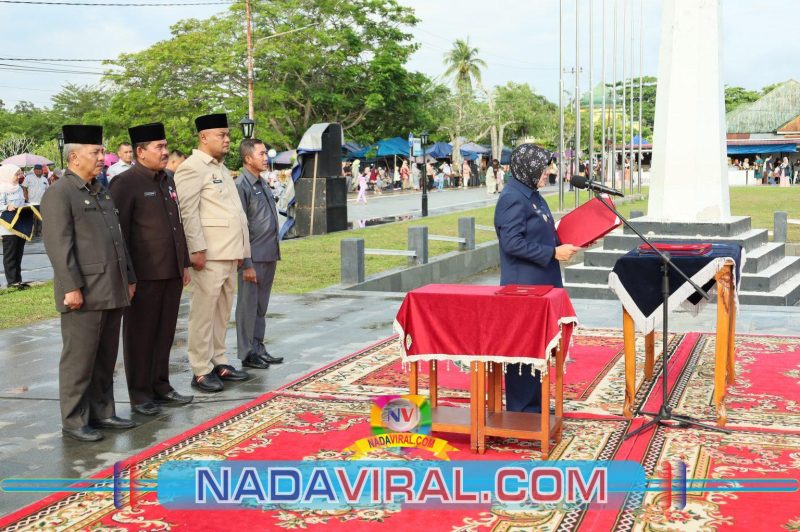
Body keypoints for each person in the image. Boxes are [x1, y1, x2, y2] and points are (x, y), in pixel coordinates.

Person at [41, 124, 137, 441]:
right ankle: (74, 420)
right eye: (96, 152)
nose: (101, 157)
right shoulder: (60, 193)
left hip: (111, 285)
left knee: (105, 358)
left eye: (101, 152)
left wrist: (129, 277)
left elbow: (118, 239)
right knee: (79, 361)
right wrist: (70, 287)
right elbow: (58, 245)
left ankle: (103, 412)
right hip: (84, 290)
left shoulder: (100, 189)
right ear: (74, 157)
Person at [108, 123, 194, 417]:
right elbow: (119, 234)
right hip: (144, 274)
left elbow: (176, 224)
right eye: (159, 147)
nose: (165, 151)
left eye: (165, 145)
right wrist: (128, 275)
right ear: (140, 151)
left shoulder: (168, 179)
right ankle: (140, 394)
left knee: (165, 332)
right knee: (140, 335)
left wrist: (183, 262)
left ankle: (161, 385)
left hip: (171, 270)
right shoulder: (124, 183)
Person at [494, 143, 581, 413]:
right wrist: (553, 253)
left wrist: (572, 240)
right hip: (524, 287)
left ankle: (535, 405)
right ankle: (522, 410)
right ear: (528, 168)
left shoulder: (532, 194)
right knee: (523, 348)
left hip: (542, 284)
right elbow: (511, 243)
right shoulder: (512, 198)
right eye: (544, 168)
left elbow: (543, 232)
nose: (548, 172)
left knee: (538, 347)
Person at [173, 113, 251, 393]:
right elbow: (188, 212)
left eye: (228, 134)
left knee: (221, 312)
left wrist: (242, 249)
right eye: (222, 135)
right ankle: (200, 369)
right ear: (204, 137)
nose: (227, 139)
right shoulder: (192, 168)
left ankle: (220, 360)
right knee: (203, 314)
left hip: (229, 251)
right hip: (209, 254)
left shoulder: (220, 168)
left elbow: (235, 213)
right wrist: (196, 249)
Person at [235, 139, 284, 371]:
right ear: (248, 158)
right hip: (252, 256)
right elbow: (240, 226)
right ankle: (247, 353)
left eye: (266, 153)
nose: (266, 157)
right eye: (261, 154)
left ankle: (258, 346)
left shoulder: (261, 182)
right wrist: (246, 263)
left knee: (261, 306)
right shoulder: (241, 185)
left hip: (268, 253)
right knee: (248, 306)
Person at [1, 164, 29, 289]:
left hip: (20, 225)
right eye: (16, 174)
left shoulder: (18, 188)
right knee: (10, 255)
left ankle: (18, 280)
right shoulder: (2, 189)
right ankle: (12, 282)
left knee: (18, 254)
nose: (19, 176)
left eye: (20, 174)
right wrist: (7, 207)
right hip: (8, 227)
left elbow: (21, 203)